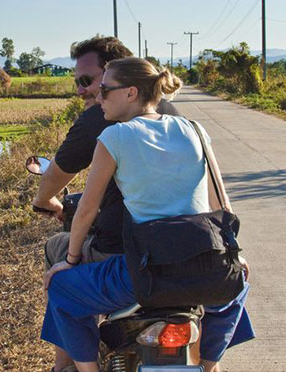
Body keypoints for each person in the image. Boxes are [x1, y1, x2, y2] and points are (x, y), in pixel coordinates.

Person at [41, 58, 253, 372]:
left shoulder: (114, 137)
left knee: (61, 289)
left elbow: (86, 210)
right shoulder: (194, 129)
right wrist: (236, 254)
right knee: (236, 290)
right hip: (205, 266)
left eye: (105, 90)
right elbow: (221, 204)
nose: (98, 98)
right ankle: (209, 366)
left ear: (130, 93)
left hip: (144, 273)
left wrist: (70, 261)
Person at [32, 36, 178, 372]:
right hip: (179, 250)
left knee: (59, 257)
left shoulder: (103, 119)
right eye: (78, 83)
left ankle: (66, 365)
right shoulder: (172, 115)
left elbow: (59, 176)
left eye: (89, 81)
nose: (85, 92)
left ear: (117, 79)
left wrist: (45, 201)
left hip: (126, 255)